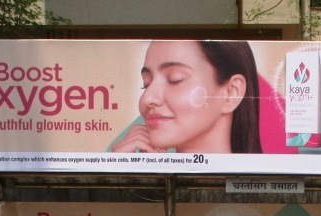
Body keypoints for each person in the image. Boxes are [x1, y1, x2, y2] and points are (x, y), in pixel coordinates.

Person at [111, 40, 262, 154]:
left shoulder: (259, 188)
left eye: (175, 79)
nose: (148, 98)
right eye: (146, 83)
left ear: (231, 93)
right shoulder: (146, 184)